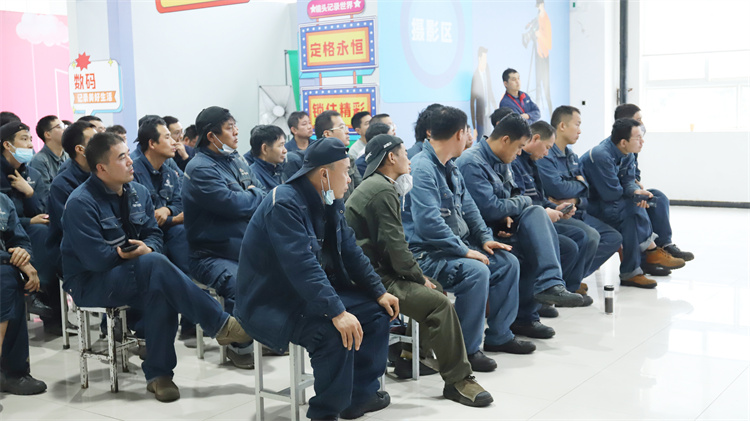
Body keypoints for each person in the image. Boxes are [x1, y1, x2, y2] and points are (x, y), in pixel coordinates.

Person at [60, 132, 251, 401]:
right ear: (101, 168)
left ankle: (160, 376)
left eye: (128, 155)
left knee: (159, 282)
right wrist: (135, 255)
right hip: (90, 282)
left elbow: (154, 236)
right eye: (122, 158)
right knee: (154, 267)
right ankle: (220, 325)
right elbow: (95, 259)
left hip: (135, 273)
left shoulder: (138, 192)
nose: (130, 162)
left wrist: (147, 249)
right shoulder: (80, 203)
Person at [235, 137, 399, 420]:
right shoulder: (283, 203)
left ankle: (359, 397)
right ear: (324, 174)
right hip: (271, 303)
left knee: (377, 312)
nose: (350, 179)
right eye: (345, 172)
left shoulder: (328, 199)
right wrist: (337, 311)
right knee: (332, 333)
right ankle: (325, 413)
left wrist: (378, 291)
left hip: (307, 295)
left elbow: (350, 249)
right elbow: (302, 266)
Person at [345, 134, 493, 407]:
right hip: (371, 278)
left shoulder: (377, 186)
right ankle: (459, 381)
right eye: (404, 153)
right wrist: (416, 277)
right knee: (439, 303)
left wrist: (417, 276)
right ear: (391, 157)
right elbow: (396, 248)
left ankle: (411, 355)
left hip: (372, 271)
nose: (409, 160)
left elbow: (392, 247)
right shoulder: (382, 190)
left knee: (435, 287)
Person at [404, 106, 526, 368]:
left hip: (453, 247)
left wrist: (484, 238)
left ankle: (500, 336)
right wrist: (464, 250)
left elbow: (469, 208)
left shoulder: (450, 166)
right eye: (468, 131)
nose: (469, 137)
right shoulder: (422, 168)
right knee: (476, 272)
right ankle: (464, 352)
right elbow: (428, 224)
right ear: (460, 133)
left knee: (507, 262)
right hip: (426, 253)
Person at [457, 114, 585, 342]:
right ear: (505, 140)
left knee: (547, 229)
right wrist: (519, 204)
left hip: (502, 226)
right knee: (532, 226)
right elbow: (490, 208)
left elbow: (512, 194)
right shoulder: (472, 162)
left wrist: (510, 211)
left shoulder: (502, 159)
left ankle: (542, 295)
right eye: (518, 148)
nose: (519, 154)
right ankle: (532, 305)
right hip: (479, 235)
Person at [182, 106, 264, 369]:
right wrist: (252, 195)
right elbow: (231, 204)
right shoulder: (200, 168)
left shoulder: (236, 159)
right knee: (241, 283)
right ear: (211, 136)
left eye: (235, 125)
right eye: (229, 128)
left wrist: (251, 196)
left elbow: (260, 192)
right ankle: (239, 345)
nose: (236, 131)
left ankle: (266, 334)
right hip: (211, 255)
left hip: (244, 247)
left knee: (285, 273)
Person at [581, 119, 685, 288]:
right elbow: (610, 194)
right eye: (638, 138)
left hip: (611, 202)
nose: (642, 141)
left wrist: (636, 192)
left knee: (655, 199)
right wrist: (633, 195)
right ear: (623, 142)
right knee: (632, 210)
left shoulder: (627, 153)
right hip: (592, 206)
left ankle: (654, 253)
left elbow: (629, 181)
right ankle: (650, 252)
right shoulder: (601, 155)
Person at [511, 120, 599, 306]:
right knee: (573, 244)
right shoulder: (515, 163)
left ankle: (563, 289)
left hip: (541, 215)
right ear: (535, 138)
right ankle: (544, 295)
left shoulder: (532, 162)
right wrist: (546, 210)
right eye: (547, 147)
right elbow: (520, 200)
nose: (546, 153)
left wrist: (554, 207)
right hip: (526, 220)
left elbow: (540, 197)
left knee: (584, 236)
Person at [536, 106, 623, 278]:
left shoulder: (572, 156)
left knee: (613, 237)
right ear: (562, 126)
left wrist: (576, 199)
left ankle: (573, 277)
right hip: (558, 213)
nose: (580, 131)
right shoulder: (545, 155)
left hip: (577, 210)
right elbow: (557, 188)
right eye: (577, 124)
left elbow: (586, 190)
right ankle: (566, 280)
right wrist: (579, 185)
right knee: (590, 236)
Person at [613, 104, 694, 264]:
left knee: (658, 197)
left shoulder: (632, 147)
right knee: (639, 204)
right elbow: (611, 183)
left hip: (628, 190)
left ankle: (665, 245)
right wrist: (633, 188)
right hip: (616, 197)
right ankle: (648, 257)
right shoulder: (610, 149)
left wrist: (636, 184)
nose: (642, 123)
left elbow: (634, 173)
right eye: (638, 120)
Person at [0, 122, 57, 331]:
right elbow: (5, 218)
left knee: (50, 234)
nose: (30, 144)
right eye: (24, 139)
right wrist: (28, 222)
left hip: (25, 231)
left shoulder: (31, 174)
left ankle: (51, 310)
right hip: (9, 234)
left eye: (31, 139)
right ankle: (34, 291)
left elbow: (41, 210)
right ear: (7, 145)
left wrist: (29, 193)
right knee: (40, 232)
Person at [0, 192, 46, 396]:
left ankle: (14, 373)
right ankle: (12, 372)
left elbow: (20, 240)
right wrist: (9, 258)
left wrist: (22, 255)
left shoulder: (3, 201)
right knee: (5, 276)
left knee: (10, 277)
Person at [30, 115, 68, 206]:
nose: (65, 129)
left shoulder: (69, 156)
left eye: (64, 126)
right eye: (59, 127)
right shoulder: (39, 160)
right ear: (47, 134)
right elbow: (45, 195)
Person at [248, 124, 287, 193]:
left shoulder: (281, 170)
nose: (285, 150)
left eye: (284, 145)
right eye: (281, 145)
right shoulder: (253, 176)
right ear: (264, 149)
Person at [470, 47, 496, 140]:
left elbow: (490, 90)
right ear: (479, 58)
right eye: (484, 58)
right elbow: (472, 103)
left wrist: (496, 108)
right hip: (480, 118)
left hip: (489, 115)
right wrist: (474, 127)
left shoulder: (487, 70)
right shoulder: (475, 76)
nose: (485, 61)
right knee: (481, 142)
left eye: (486, 58)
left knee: (490, 140)